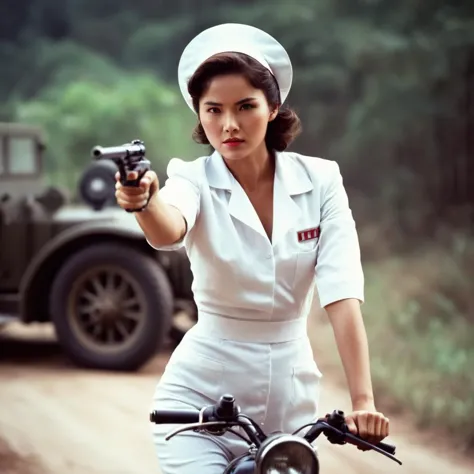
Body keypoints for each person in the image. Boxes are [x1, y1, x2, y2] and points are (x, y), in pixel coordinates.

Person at [115, 23, 390, 473]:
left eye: (245, 107)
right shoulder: (192, 177)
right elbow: (168, 228)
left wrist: (363, 401)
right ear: (200, 117)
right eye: (213, 110)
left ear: (273, 106)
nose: (229, 124)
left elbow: (340, 293)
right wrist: (143, 199)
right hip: (198, 403)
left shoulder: (321, 180)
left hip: (290, 404)